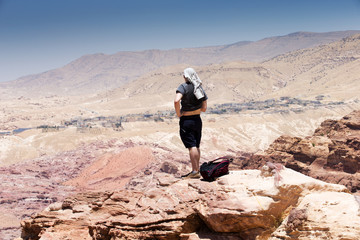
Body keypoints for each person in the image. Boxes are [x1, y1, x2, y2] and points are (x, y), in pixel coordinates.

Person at [174, 68, 208, 179]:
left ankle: (194, 171)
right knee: (196, 145)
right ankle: (197, 170)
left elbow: (176, 100)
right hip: (197, 120)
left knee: (191, 146)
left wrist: (179, 113)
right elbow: (204, 108)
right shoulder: (199, 87)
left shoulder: (183, 87)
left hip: (187, 121)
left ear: (186, 76)